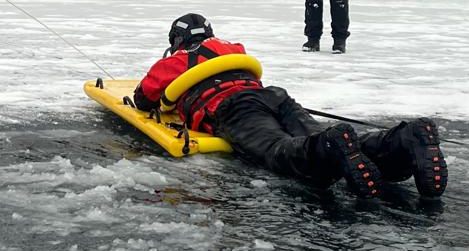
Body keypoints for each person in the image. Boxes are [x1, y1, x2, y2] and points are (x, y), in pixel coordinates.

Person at [131, 13, 448, 199]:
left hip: (232, 108)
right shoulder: (231, 47)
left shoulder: (173, 62)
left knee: (278, 150)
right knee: (326, 138)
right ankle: (402, 140)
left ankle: (332, 145)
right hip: (273, 96)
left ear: (176, 40)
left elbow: (145, 98)